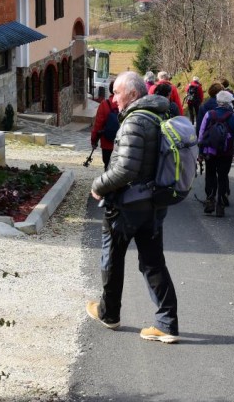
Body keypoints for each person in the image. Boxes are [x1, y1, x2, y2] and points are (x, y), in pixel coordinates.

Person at [86, 71, 180, 344]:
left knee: (112, 258)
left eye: (117, 92)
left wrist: (98, 185)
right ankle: (167, 324)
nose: (113, 99)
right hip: (153, 203)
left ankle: (109, 313)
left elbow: (125, 169)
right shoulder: (160, 115)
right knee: (153, 262)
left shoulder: (134, 121)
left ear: (134, 94)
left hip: (127, 206)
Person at [198, 90, 234, 218]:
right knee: (223, 176)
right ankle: (220, 205)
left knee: (210, 175)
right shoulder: (232, 116)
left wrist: (201, 151)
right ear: (229, 102)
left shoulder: (209, 114)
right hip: (226, 151)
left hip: (210, 151)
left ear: (217, 101)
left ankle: (210, 200)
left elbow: (201, 134)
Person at [90, 76, 119, 170]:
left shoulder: (105, 104)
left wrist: (94, 140)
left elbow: (98, 124)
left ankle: (107, 182)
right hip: (123, 143)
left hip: (107, 142)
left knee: (107, 165)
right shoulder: (127, 103)